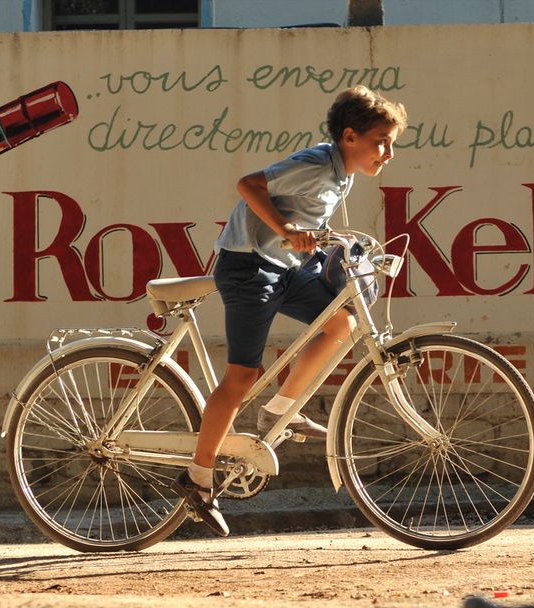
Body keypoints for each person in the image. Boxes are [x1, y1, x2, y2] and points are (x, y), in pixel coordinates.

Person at [170, 85, 408, 536]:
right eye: (382, 141)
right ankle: (199, 478)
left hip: (284, 266)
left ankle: (279, 411)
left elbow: (306, 216)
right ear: (351, 136)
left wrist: (321, 241)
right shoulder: (317, 165)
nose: (388, 153)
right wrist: (286, 228)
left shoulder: (344, 171)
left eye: (391, 143)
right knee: (241, 376)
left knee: (344, 320)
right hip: (249, 268)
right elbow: (249, 185)